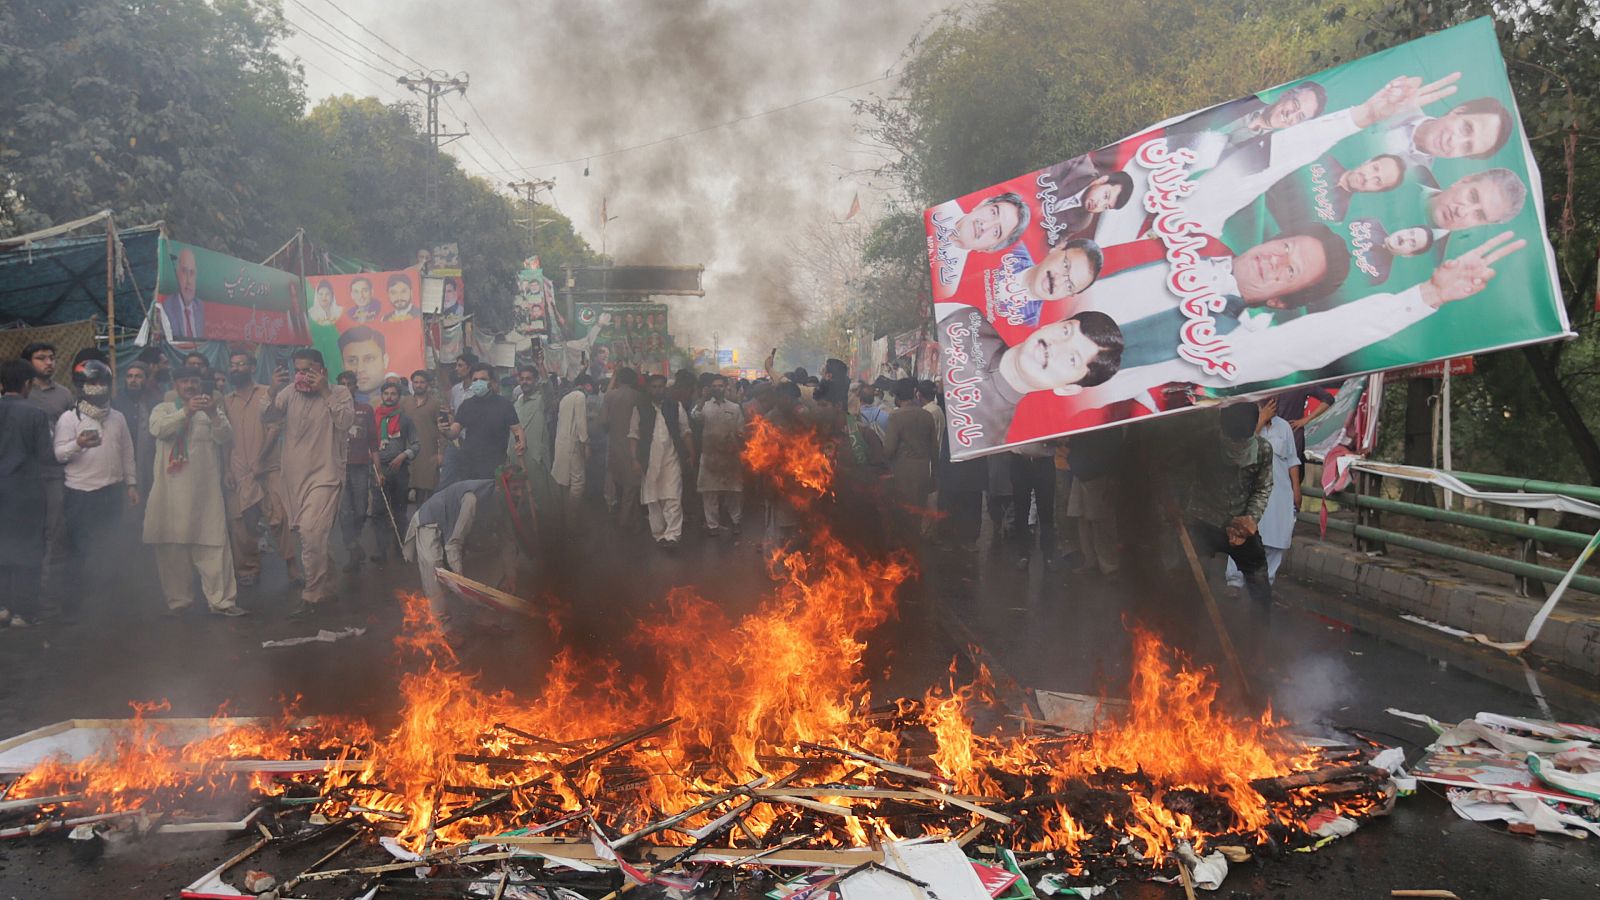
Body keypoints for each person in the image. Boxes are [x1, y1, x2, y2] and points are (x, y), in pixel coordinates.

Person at [1075, 232, 1528, 410]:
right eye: (1286, 247)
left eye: (1289, 272)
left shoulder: (1226, 341)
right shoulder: (1192, 236)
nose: (1275, 259)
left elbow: (1314, 341)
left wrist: (1428, 295)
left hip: (1056, 391)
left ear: (1278, 301)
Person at [936, 307, 1125, 455]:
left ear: (1068, 388)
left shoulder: (985, 440)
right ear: (1052, 323)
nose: (1055, 346)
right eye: (1066, 331)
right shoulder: (966, 317)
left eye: (1072, 359)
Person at [143, 365, 245, 615]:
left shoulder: (211, 411)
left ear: (200, 384)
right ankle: (179, 602)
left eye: (194, 381)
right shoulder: (163, 409)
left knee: (213, 546)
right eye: (184, 381)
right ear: (175, 385)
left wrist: (212, 414)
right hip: (169, 495)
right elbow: (158, 430)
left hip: (204, 495)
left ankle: (222, 602)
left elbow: (225, 437)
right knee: (171, 550)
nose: (190, 386)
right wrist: (185, 411)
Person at [263, 348, 355, 615]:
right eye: (299, 371)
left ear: (322, 371)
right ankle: (329, 585)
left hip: (326, 476)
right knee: (314, 536)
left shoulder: (339, 392)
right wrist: (272, 390)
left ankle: (312, 595)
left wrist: (325, 391)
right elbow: (268, 417)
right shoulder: (288, 392)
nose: (302, 376)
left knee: (310, 532)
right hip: (294, 478)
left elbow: (345, 422)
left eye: (308, 371)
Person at [52, 359, 138, 611]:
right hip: (80, 495)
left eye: (102, 383)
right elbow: (58, 454)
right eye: (92, 383)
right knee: (79, 550)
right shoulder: (69, 418)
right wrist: (77, 444)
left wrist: (132, 484)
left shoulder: (118, 417)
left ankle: (106, 604)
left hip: (112, 492)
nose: (98, 388)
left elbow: (127, 452)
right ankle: (73, 606)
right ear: (81, 386)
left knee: (110, 547)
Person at [1183, 403, 1276, 610]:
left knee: (1259, 580)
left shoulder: (1263, 449)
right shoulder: (1203, 442)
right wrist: (1176, 504)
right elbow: (1177, 470)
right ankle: (1188, 625)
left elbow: (1263, 487)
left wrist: (1250, 519)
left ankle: (1261, 627)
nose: (1237, 445)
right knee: (1193, 578)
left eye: (1242, 441)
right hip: (1203, 519)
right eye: (1232, 441)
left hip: (1240, 522)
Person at [403, 474, 522, 630]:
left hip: (454, 531)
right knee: (434, 568)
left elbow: (508, 541)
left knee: (491, 553)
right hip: (431, 522)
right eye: (515, 489)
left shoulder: (503, 503)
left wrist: (511, 577)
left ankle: (482, 614)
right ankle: (442, 628)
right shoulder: (471, 499)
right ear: (500, 488)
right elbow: (453, 544)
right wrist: (461, 582)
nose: (520, 494)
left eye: (521, 489)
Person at [0, 360, 54, 627]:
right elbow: (46, 455)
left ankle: (2, 608)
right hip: (26, 492)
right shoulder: (36, 414)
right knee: (28, 550)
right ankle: (23, 612)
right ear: (27, 384)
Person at [21, 342, 73, 610]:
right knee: (26, 533)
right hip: (25, 475)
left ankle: (50, 594)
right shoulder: (21, 394)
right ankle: (26, 593)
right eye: (41, 358)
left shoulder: (64, 394)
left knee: (56, 532)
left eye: (52, 358)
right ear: (28, 363)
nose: (49, 362)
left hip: (55, 473)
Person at [1227, 398, 1301, 589]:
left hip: (1280, 493)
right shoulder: (1244, 423)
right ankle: (1235, 582)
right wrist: (1260, 421)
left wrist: (1296, 489)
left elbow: (1292, 460)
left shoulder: (1284, 427)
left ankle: (1266, 584)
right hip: (1252, 492)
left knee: (1277, 538)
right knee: (1244, 534)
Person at [221, 350, 273, 587]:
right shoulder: (225, 401)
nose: (236, 368)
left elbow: (276, 428)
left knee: (278, 518)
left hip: (267, 468)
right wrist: (226, 469)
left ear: (252, 367)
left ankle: (293, 569)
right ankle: (248, 568)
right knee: (241, 522)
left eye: (241, 364)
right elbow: (224, 439)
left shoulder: (266, 394)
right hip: (238, 469)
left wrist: (263, 459)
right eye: (233, 365)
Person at [630, 374, 693, 548]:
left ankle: (672, 535)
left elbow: (685, 431)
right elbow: (633, 435)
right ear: (649, 389)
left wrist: (691, 454)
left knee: (673, 496)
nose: (658, 390)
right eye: (654, 387)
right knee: (653, 499)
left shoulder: (676, 407)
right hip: (649, 461)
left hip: (671, 458)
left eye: (660, 387)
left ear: (665, 388)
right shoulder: (640, 408)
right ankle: (659, 535)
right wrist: (634, 459)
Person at [1382, 95, 1513, 167]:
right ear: (1458, 111)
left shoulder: (1417, 182)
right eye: (1466, 129)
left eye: (1467, 147)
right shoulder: (1397, 103)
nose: (1453, 141)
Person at [447, 362, 524, 484]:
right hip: (469, 466)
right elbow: (453, 432)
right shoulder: (466, 405)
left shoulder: (504, 405)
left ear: (491, 382)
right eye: (475, 380)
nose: (478, 383)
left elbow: (517, 429)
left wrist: (521, 442)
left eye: (483, 379)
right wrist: (445, 430)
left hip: (495, 466)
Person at [335, 371, 378, 570]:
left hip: (360, 465)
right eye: (342, 384)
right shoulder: (331, 410)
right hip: (339, 466)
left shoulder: (365, 410)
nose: (346, 387)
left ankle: (355, 539)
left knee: (361, 509)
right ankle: (352, 548)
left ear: (355, 387)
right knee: (344, 511)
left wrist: (377, 468)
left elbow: (373, 440)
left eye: (349, 384)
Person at [882, 379, 937, 537]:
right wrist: (935, 476)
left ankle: (905, 546)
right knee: (918, 513)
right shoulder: (927, 415)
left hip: (902, 473)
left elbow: (889, 449)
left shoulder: (895, 416)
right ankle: (916, 541)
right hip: (923, 472)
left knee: (903, 514)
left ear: (898, 397)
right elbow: (934, 449)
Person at [372, 380, 419, 562]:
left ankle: (401, 548)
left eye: (393, 394)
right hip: (379, 469)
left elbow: (416, 445)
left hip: (399, 470)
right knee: (378, 510)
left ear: (398, 397)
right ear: (381, 396)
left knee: (399, 510)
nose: (389, 397)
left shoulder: (405, 420)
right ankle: (380, 550)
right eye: (386, 394)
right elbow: (368, 442)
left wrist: (402, 456)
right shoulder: (373, 418)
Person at [1067, 427, 1123, 577]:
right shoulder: (1079, 420)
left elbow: (1114, 446)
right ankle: (1090, 560)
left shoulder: (1108, 420)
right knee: (1082, 519)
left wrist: (1112, 476)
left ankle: (1110, 566)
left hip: (1099, 473)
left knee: (1102, 521)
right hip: (1080, 473)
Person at [693, 374, 744, 536]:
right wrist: (702, 398)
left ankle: (736, 522)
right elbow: (694, 416)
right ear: (710, 388)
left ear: (725, 387)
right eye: (714, 386)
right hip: (710, 454)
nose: (717, 388)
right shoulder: (704, 407)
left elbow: (741, 430)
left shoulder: (735, 408)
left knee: (733, 491)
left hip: (730, 455)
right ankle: (712, 525)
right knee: (710, 492)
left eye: (720, 386)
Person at [511, 365, 558, 514]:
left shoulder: (541, 400)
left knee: (541, 501)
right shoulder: (517, 404)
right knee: (521, 502)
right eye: (522, 379)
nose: (524, 382)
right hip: (517, 459)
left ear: (535, 380)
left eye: (528, 379)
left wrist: (541, 365)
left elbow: (548, 390)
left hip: (535, 459)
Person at [603, 367, 646, 529]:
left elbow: (603, 421)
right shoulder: (638, 396)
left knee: (621, 485)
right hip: (634, 446)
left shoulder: (610, 396)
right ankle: (625, 522)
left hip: (614, 446)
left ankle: (631, 520)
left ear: (619, 379)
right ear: (633, 380)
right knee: (631, 487)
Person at [115, 360, 161, 500]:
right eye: (129, 376)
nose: (133, 380)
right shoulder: (116, 403)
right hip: (123, 463)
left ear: (146, 379)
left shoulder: (156, 402)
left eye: (138, 376)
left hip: (149, 462)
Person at [1008, 440, 1058, 571]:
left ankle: (1048, 555)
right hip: (1019, 461)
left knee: (1046, 510)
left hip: (1044, 461)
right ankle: (1023, 554)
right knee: (1020, 510)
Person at [552, 373, 592, 530]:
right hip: (573, 445)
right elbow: (581, 422)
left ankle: (563, 517)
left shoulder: (565, 398)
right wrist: (586, 443)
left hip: (561, 444)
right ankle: (571, 519)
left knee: (563, 481)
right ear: (585, 385)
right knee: (578, 483)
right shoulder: (580, 397)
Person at [406, 370, 445, 506]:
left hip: (428, 453)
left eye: (422, 382)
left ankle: (425, 518)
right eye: (416, 382)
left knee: (427, 490)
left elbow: (443, 431)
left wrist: (441, 454)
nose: (419, 385)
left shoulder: (435, 404)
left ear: (428, 384)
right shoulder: (405, 402)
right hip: (408, 452)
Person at [158, 247, 205, 339]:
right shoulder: (167, 308)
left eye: (192, 273)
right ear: (177, 275)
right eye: (184, 272)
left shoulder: (200, 307)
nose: (188, 281)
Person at [339, 326, 389, 402]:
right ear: (343, 365)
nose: (360, 369)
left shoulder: (403, 399)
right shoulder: (334, 402)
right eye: (352, 361)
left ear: (385, 361)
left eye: (369, 359)